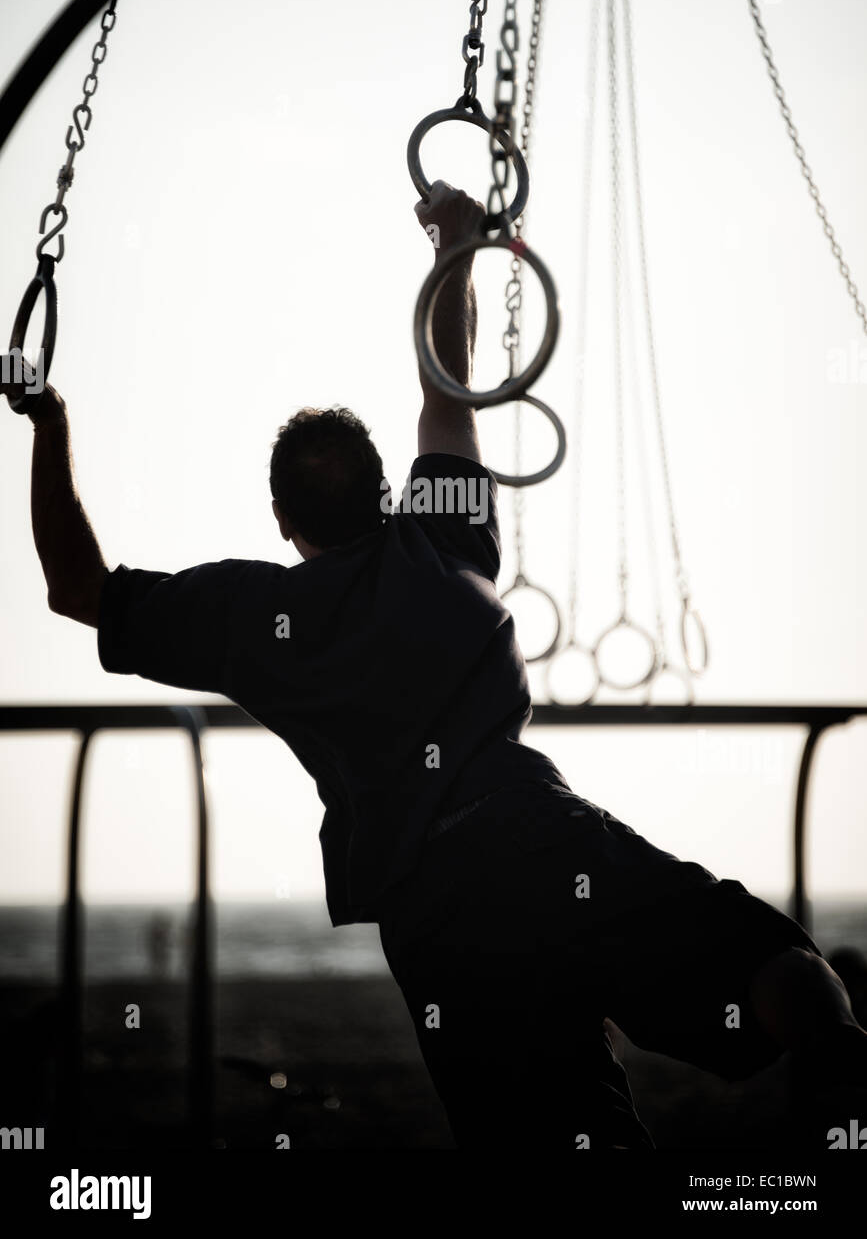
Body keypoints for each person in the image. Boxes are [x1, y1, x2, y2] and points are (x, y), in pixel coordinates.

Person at [5, 180, 865, 1149]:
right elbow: (445, 385)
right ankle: (843, 1057)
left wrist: (49, 424)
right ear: (386, 492)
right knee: (758, 956)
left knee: (545, 1141)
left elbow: (76, 587)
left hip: (435, 914)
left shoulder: (256, 612)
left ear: (284, 523)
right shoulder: (442, 542)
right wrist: (453, 241)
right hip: (543, 830)